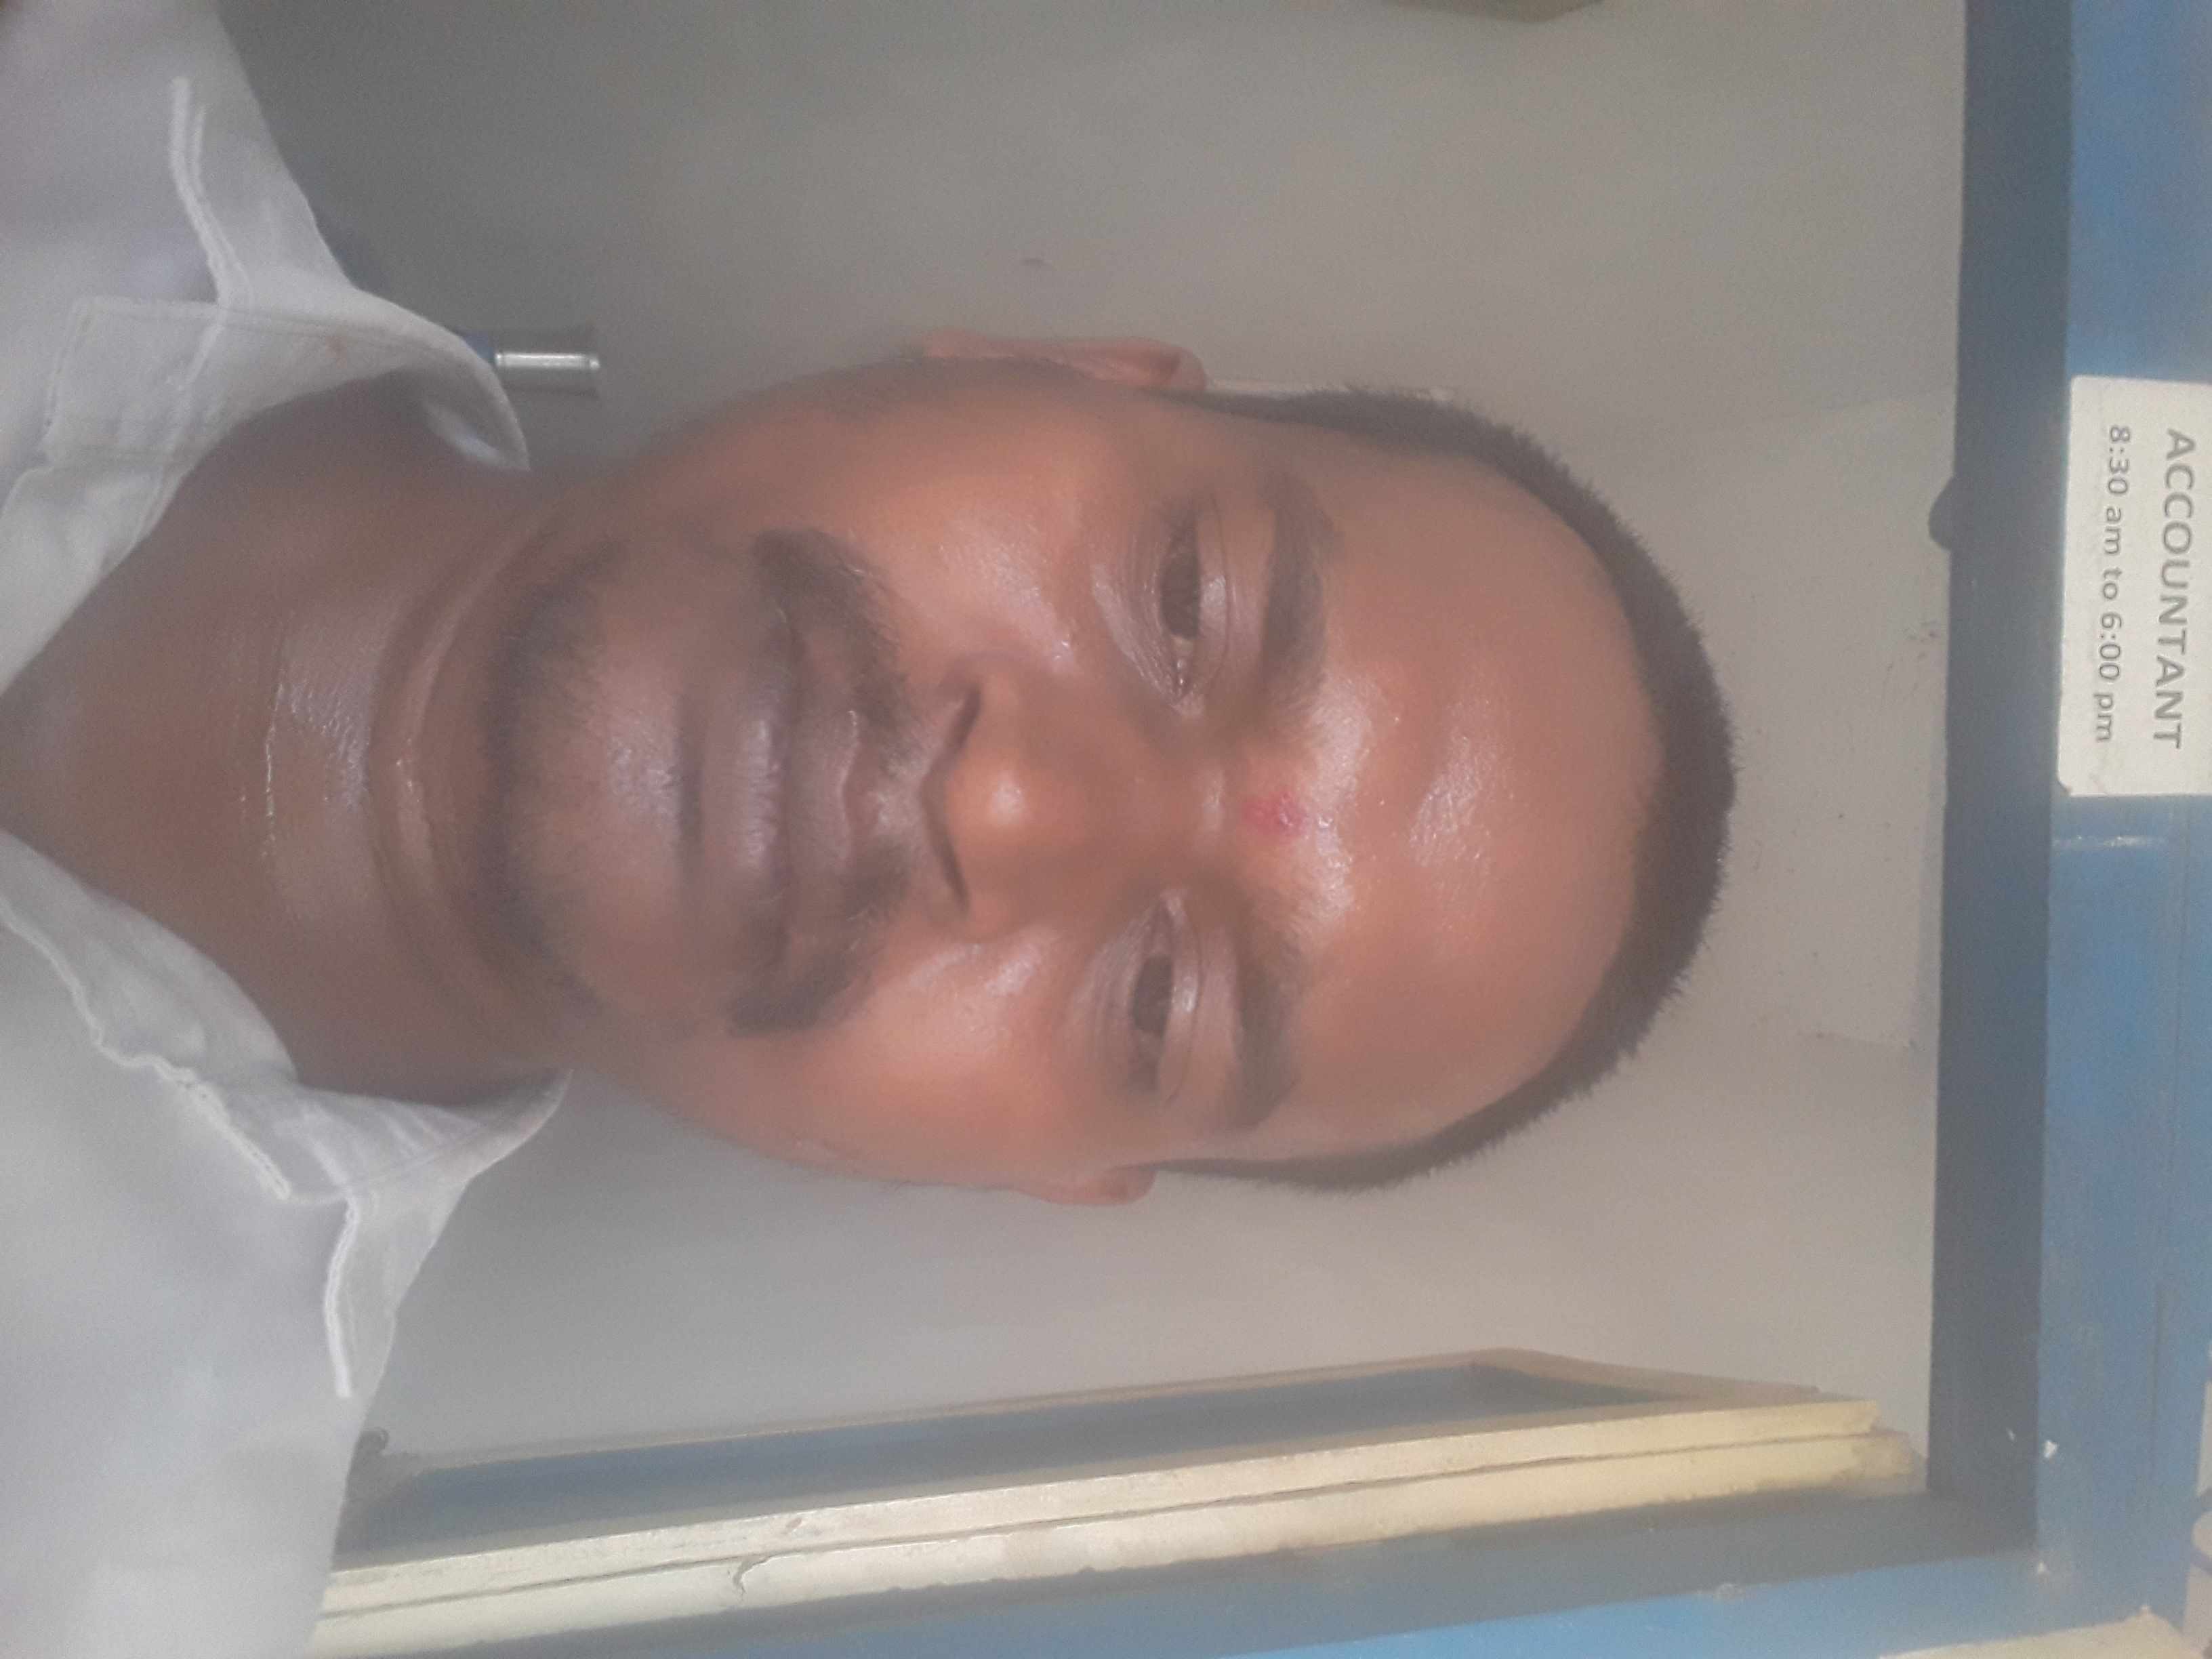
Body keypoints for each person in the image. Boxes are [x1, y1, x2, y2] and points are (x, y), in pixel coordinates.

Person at [0, 0, 1731, 1652]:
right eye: (1186, 602)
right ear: (1040, 368)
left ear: (1030, 1176)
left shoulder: (80, 1564)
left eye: (1157, 1001)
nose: (1007, 802)